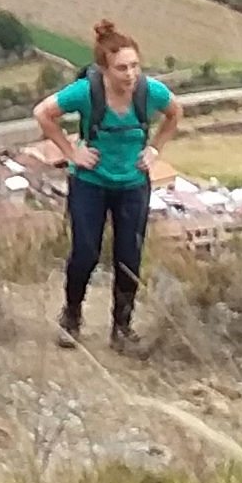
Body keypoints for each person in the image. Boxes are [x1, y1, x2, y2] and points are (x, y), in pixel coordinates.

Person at [33, 20, 179, 347]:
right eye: (121, 68)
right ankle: (72, 316)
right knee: (85, 253)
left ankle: (122, 329)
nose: (130, 74)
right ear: (104, 69)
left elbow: (175, 113)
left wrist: (155, 150)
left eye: (135, 66)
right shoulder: (87, 92)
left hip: (132, 184)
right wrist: (72, 153)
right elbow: (43, 113)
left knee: (129, 258)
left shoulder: (149, 91)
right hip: (90, 182)